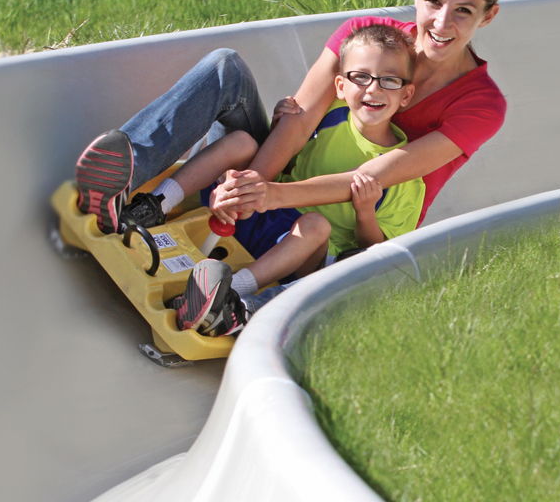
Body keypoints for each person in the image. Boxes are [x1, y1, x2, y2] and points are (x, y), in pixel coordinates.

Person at [72, 0, 506, 321]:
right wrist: (253, 186)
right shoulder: (366, 41)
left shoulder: (481, 104)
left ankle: (237, 308)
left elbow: (372, 178)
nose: (442, 22)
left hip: (353, 228)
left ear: (488, 16)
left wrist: (266, 194)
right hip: (283, 182)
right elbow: (300, 121)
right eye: (433, 2)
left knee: (354, 265)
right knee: (226, 68)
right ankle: (124, 179)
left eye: (464, 10)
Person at [140, 25, 425, 336]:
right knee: (242, 143)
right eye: (361, 77)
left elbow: (376, 252)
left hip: (301, 251)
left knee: (316, 225)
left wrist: (365, 212)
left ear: (406, 94)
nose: (373, 89)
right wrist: (281, 123)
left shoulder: (405, 174)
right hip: (263, 209)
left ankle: (225, 292)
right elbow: (286, 158)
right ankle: (155, 203)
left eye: (389, 80)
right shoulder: (327, 115)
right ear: (341, 85)